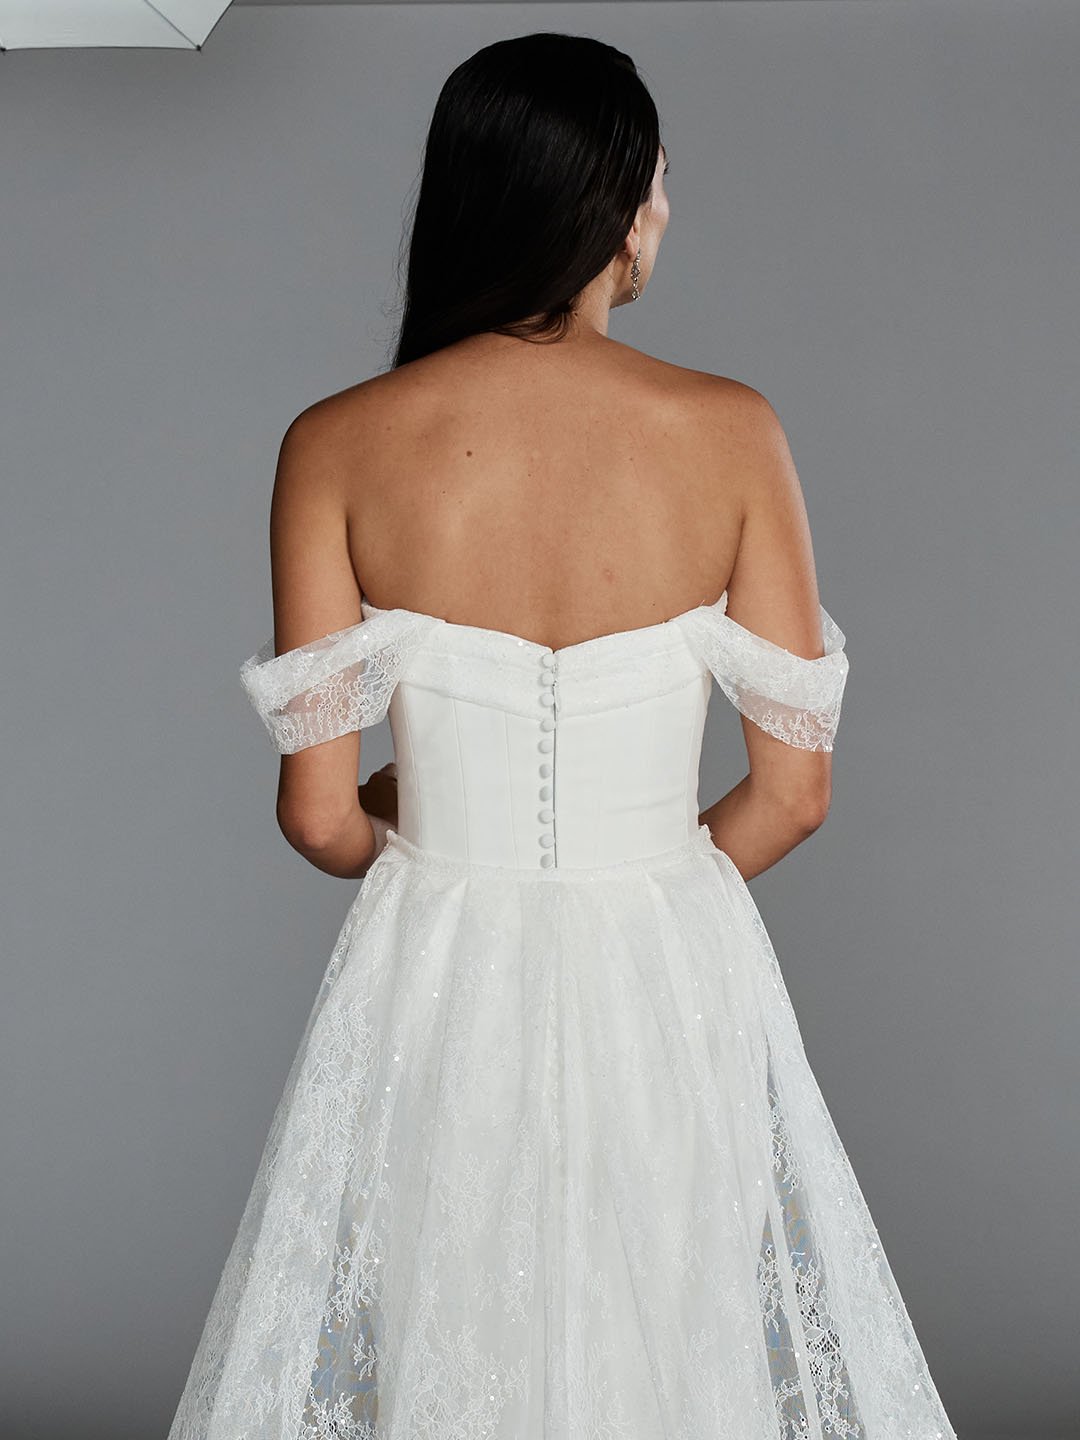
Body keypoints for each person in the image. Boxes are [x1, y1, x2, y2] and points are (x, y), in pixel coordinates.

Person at [168, 32, 957, 1440]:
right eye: (659, 183)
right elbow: (793, 792)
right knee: (667, 1325)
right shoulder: (730, 432)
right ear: (618, 204)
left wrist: (438, 825)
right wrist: (641, 871)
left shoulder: (336, 443)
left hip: (437, 966)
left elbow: (319, 815)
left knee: (451, 1324)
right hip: (668, 960)